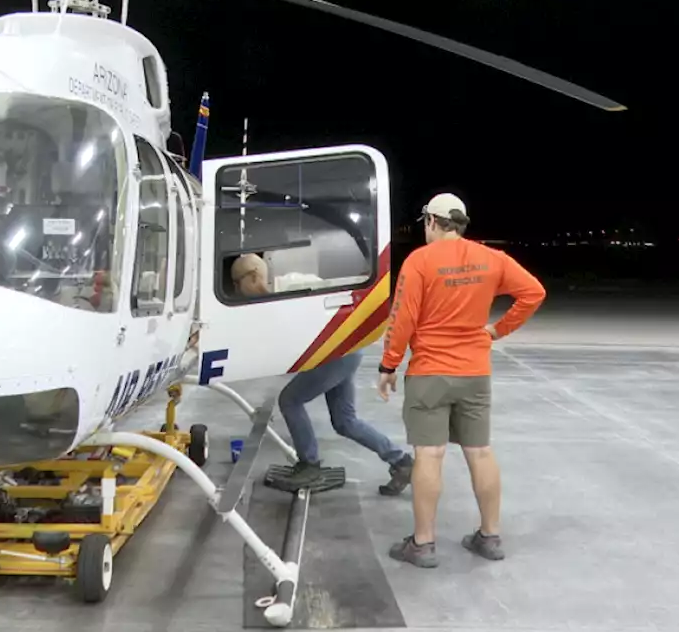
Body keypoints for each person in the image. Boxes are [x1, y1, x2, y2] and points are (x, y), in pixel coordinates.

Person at [376, 193, 546, 568]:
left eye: (425, 223)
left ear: (433, 222)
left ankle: (422, 545)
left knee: (429, 454)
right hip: (474, 372)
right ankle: (489, 536)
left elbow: (402, 318)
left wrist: (388, 366)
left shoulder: (420, 261)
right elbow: (533, 293)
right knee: (480, 452)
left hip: (430, 373)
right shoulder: (491, 258)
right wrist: (497, 331)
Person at [229, 253, 415, 493]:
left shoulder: (294, 285)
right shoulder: (265, 302)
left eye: (236, 284)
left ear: (253, 277)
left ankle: (310, 464)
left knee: (290, 400)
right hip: (342, 351)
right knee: (345, 422)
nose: (236, 290)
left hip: (340, 351)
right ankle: (402, 462)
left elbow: (334, 294)